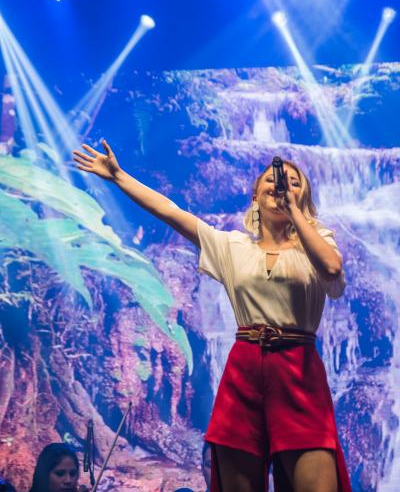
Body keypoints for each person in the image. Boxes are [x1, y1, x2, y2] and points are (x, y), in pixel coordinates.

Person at [73, 141, 351, 492]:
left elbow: (331, 267)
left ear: (303, 199)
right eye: (273, 180)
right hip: (246, 367)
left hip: (298, 368)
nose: (282, 186)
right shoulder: (232, 246)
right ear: (255, 194)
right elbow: (171, 212)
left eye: (294, 184)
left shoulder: (317, 242)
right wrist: (119, 177)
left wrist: (294, 212)